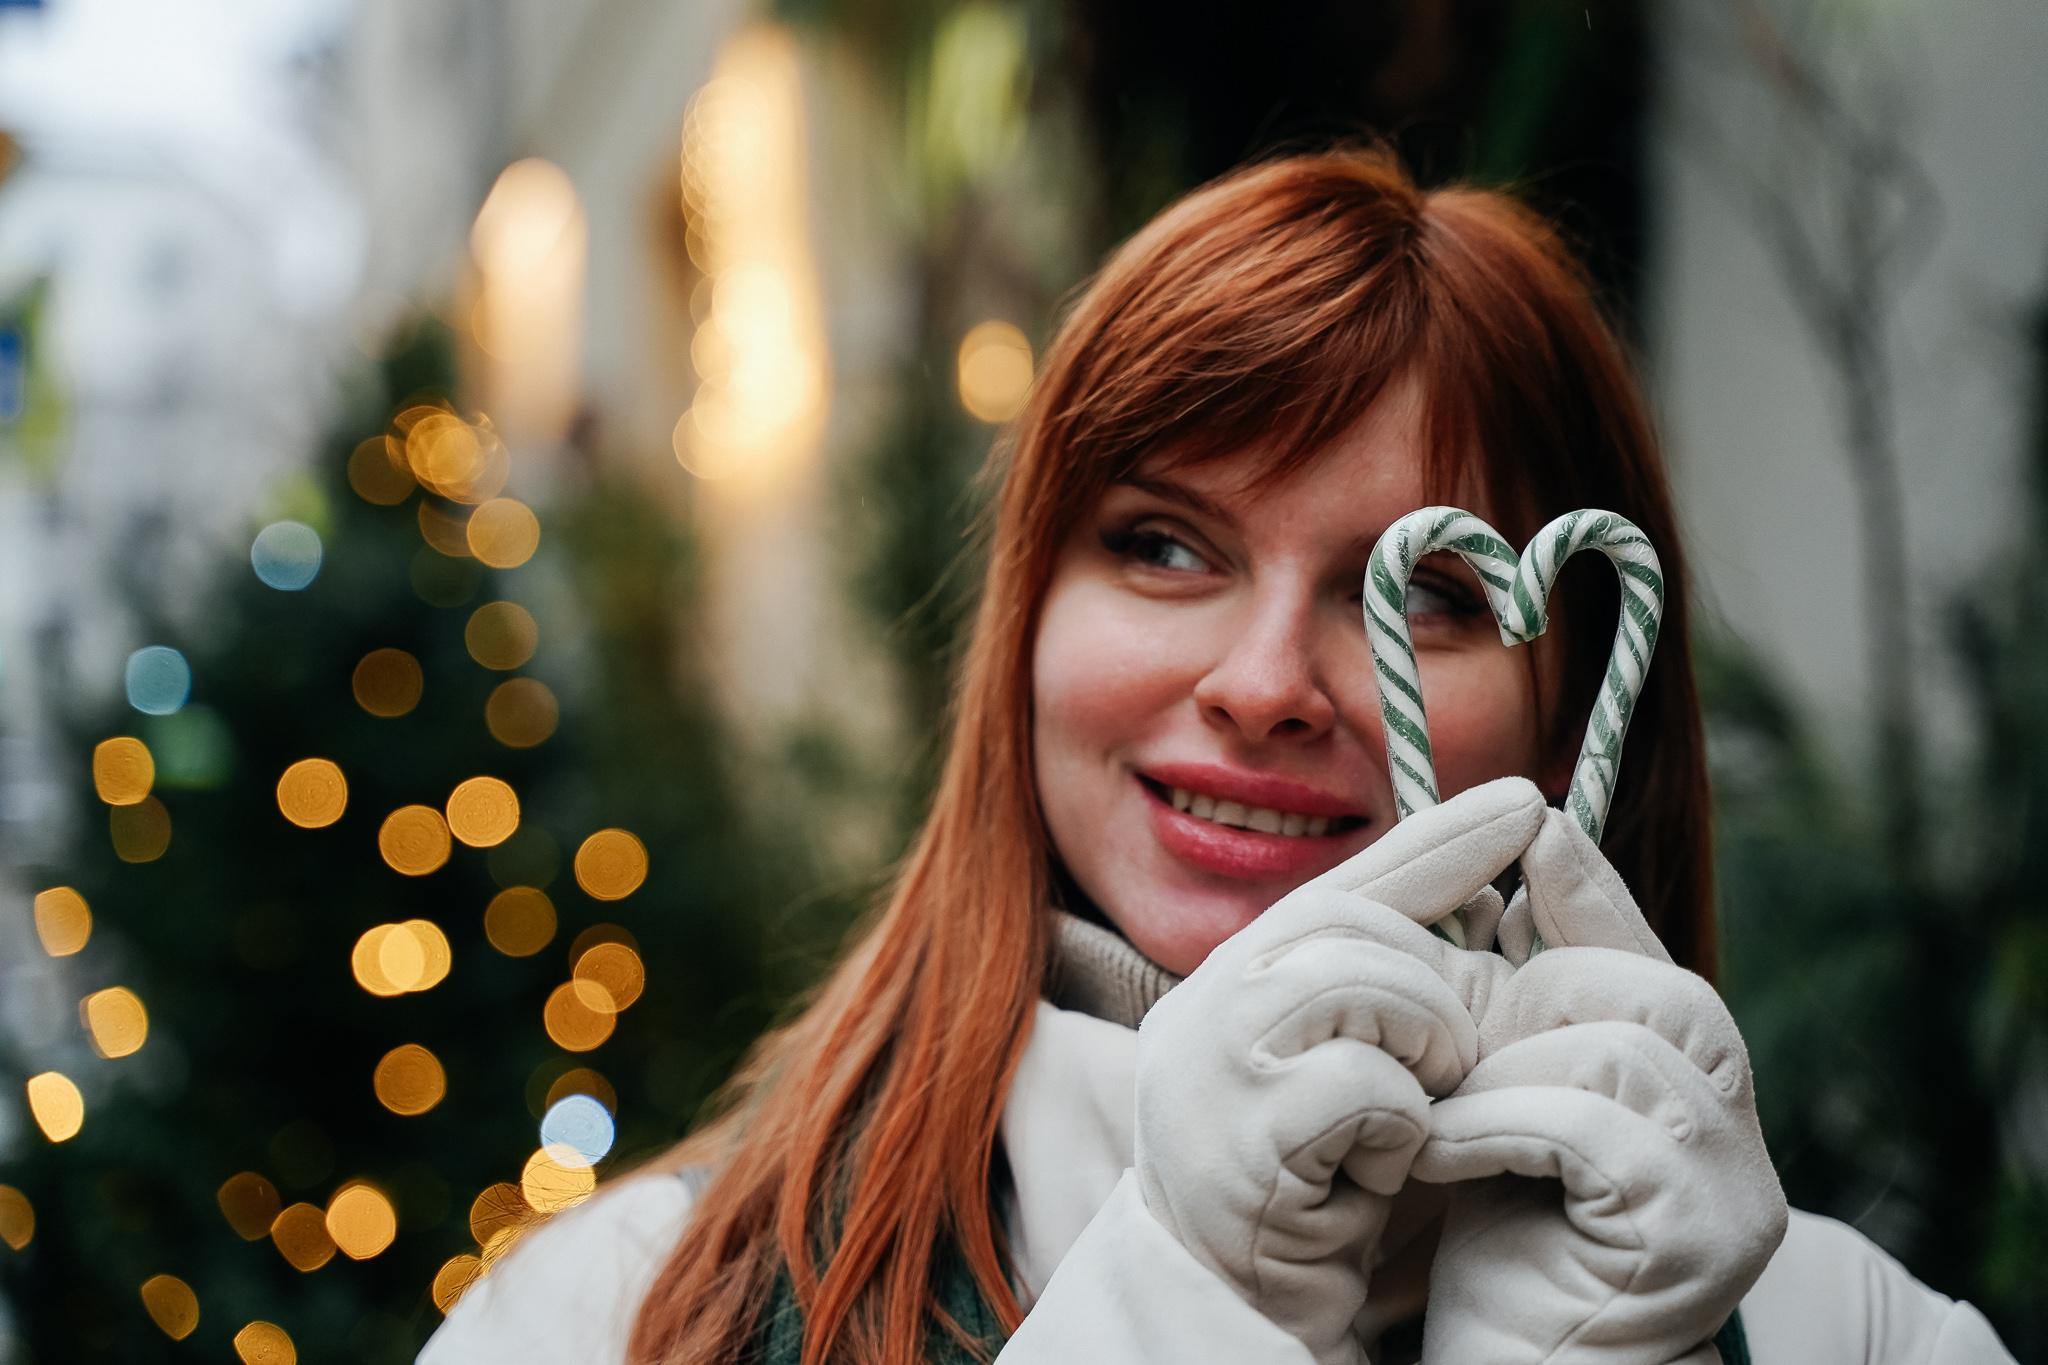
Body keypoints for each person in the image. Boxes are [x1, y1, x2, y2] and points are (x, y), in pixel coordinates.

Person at [418, 148, 2016, 1365]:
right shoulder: (610, 1313)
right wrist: (1172, 1304)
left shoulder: (1859, 1339)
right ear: (1027, 628)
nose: (1263, 686)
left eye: (1432, 593)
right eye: (1166, 546)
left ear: (1576, 701)